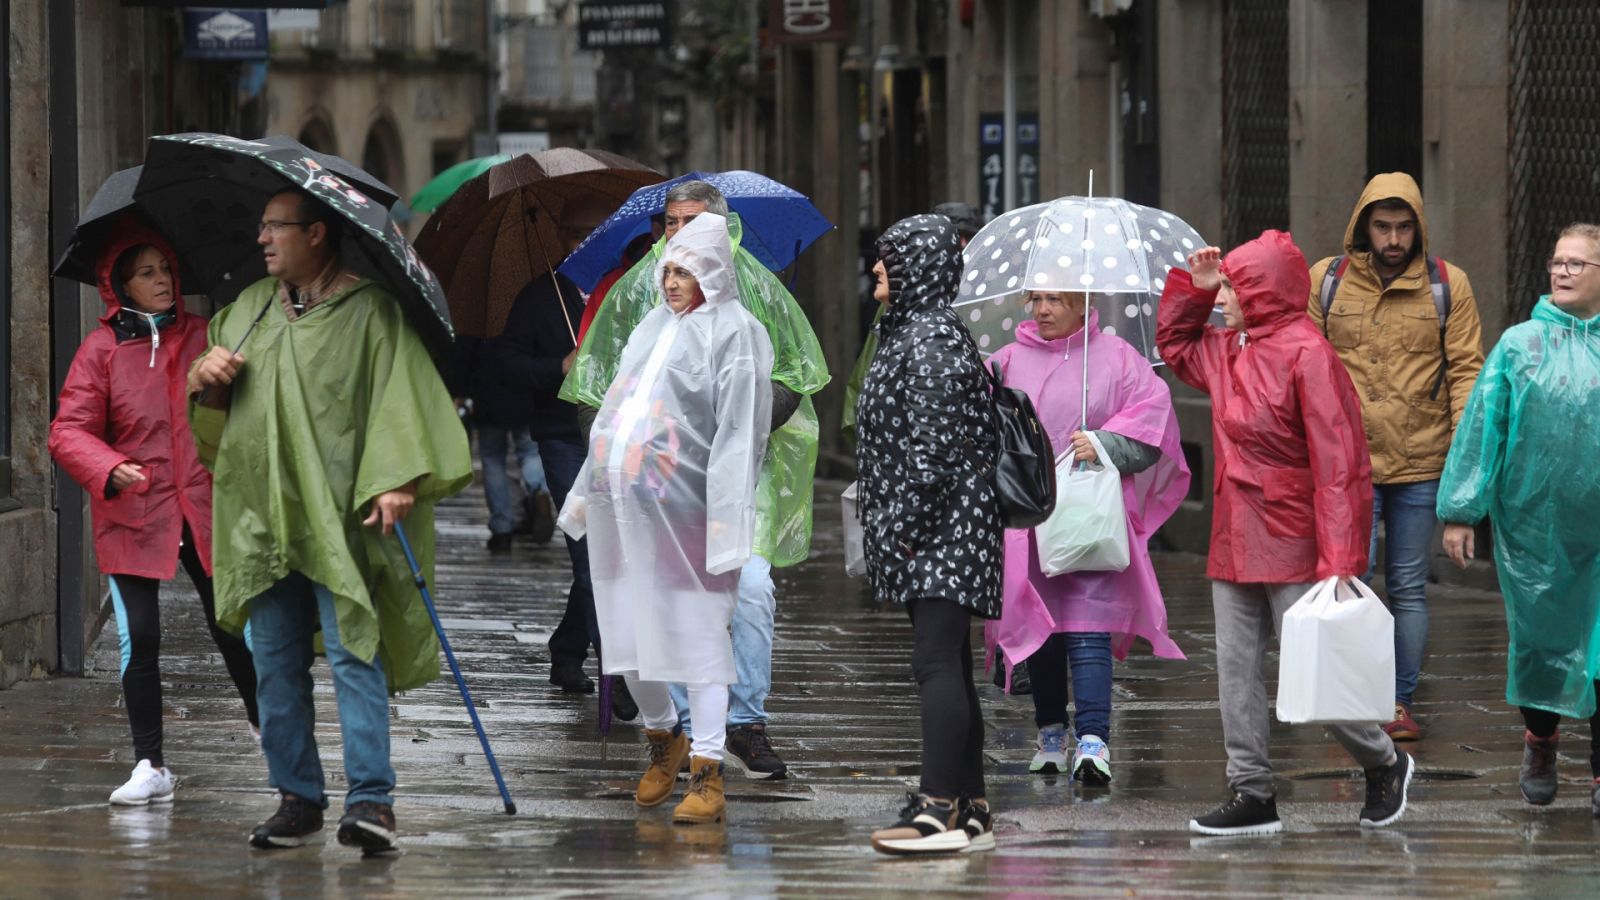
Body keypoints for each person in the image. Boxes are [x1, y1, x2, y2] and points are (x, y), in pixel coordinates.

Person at [187, 187, 471, 854]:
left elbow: (402, 403)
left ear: (317, 234)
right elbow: (214, 414)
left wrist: (398, 479)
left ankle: (372, 802)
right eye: (260, 226)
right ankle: (297, 799)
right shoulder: (246, 311)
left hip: (343, 517)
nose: (262, 239)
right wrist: (209, 375)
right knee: (273, 663)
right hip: (264, 515)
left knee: (354, 654)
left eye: (275, 227)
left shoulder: (372, 315)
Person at [561, 180, 829, 779]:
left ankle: (741, 726)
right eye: (670, 223)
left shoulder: (750, 304)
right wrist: (616, 464)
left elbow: (791, 375)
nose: (676, 238)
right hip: (645, 489)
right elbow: (602, 391)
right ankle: (677, 731)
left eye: (692, 223)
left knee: (743, 597)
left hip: (729, 478)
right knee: (639, 617)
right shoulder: (639, 299)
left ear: (722, 229)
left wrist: (742, 427)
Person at [1156, 231, 1413, 837]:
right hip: (1236, 531)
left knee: (1319, 670)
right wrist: (1194, 293)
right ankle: (1252, 790)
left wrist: (1341, 557)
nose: (1222, 300)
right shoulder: (1230, 347)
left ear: (1261, 291)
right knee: (1235, 672)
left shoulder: (1309, 355)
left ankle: (1384, 759)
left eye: (1231, 288)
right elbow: (1175, 346)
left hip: (1294, 535)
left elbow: (1340, 463)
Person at [558, 212, 773, 826]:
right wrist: (588, 490)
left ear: (713, 273)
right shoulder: (651, 327)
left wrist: (729, 519)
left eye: (685, 270)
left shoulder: (738, 334)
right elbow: (615, 414)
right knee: (625, 636)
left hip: (692, 510)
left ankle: (707, 768)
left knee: (699, 636)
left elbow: (739, 431)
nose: (673, 281)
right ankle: (664, 742)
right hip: (626, 507)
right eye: (668, 269)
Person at [48, 222, 259, 806]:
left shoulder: (205, 335)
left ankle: (271, 728)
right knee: (139, 637)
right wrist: (108, 466)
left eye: (165, 269)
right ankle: (150, 764)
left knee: (233, 624)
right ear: (121, 285)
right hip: (133, 514)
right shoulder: (101, 351)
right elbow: (68, 431)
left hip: (204, 506)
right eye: (147, 273)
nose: (163, 280)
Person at [984, 290, 1189, 783]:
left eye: (1055, 299)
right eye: (1035, 299)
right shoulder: (1005, 362)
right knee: (1044, 630)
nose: (1041, 310)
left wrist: (1104, 442)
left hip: (1092, 518)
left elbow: (1152, 417)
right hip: (1030, 523)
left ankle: (1094, 740)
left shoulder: (1118, 358)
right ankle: (1051, 732)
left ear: (1083, 303)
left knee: (1089, 626)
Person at [1308, 172, 1485, 741]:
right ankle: (1351, 709)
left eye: (1403, 227)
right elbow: (1303, 362)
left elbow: (1466, 373)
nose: (1392, 238)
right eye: (1382, 226)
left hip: (1421, 464)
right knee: (1346, 582)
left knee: (1407, 586)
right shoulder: (1327, 280)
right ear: (1363, 225)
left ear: (1419, 227)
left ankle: (1397, 703)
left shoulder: (1446, 284)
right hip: (1348, 466)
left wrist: (1463, 461)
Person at [1437, 223, 1600, 815]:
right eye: (1557, 261)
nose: (1561, 271)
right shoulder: (1519, 346)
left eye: (1577, 264)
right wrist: (1461, 511)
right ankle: (1541, 740)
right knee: (1539, 643)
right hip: (1535, 528)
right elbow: (1484, 430)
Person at [856, 213, 1003, 855]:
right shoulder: (913, 331)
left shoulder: (932, 337)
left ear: (921, 265)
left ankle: (938, 807)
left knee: (935, 662)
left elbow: (936, 449)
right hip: (942, 524)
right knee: (953, 664)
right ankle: (970, 806)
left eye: (890, 256)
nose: (877, 266)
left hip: (945, 525)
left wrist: (902, 530)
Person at [482, 195, 637, 720]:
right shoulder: (538, 298)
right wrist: (559, 365)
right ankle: (618, 670)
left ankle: (567, 648)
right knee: (592, 553)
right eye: (577, 237)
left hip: (625, 439)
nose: (587, 246)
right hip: (563, 439)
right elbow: (505, 363)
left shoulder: (632, 290)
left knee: (611, 557)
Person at [450, 337, 553, 553]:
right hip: (525, 390)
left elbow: (464, 350)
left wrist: (459, 390)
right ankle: (539, 490)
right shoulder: (525, 309)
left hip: (488, 394)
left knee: (492, 460)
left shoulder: (481, 314)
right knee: (530, 451)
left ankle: (502, 528)